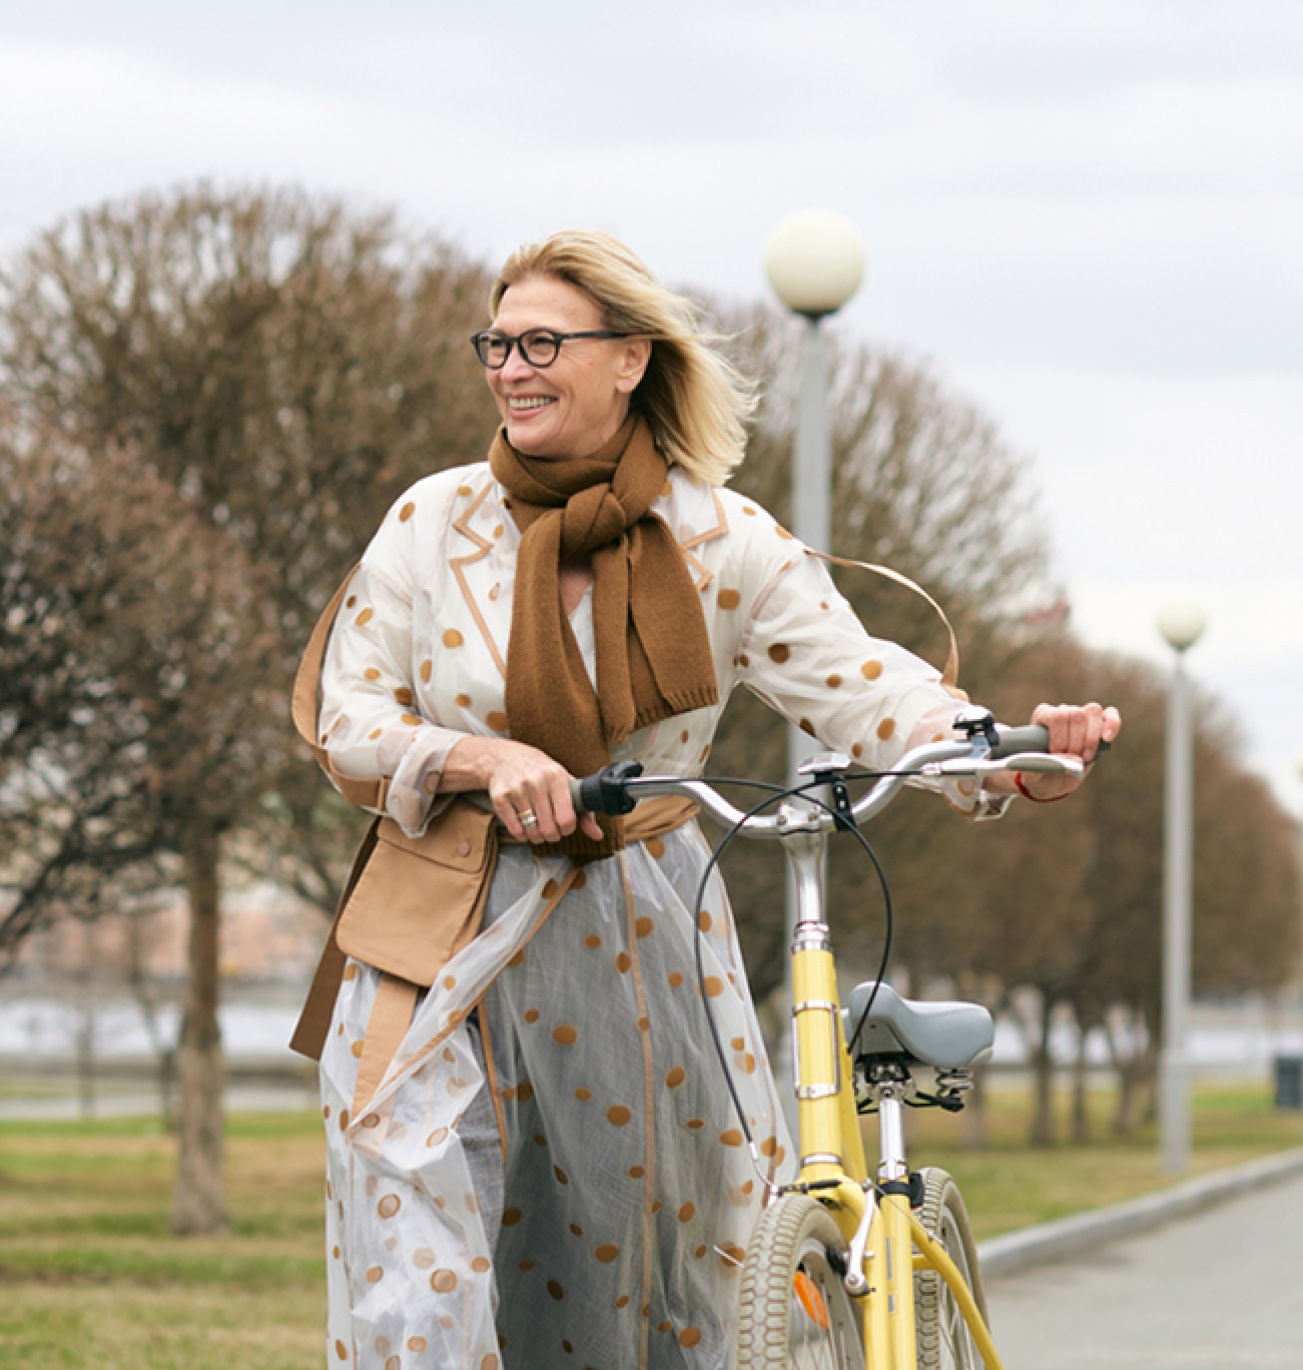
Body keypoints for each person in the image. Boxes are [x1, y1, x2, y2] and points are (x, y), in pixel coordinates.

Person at [297, 230, 1120, 1369]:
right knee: (414, 1257)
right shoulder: (432, 521)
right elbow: (350, 720)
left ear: (630, 358)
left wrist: (990, 753)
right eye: (497, 343)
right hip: (436, 923)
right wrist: (481, 760)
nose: (509, 367)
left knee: (651, 1271)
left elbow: (861, 680)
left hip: (637, 936)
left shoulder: (721, 539)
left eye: (542, 342)